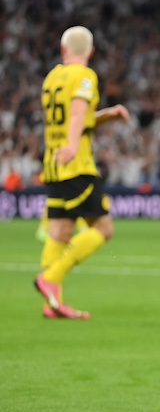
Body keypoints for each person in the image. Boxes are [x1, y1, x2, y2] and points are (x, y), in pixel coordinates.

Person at [35, 26, 130, 318]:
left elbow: (77, 119)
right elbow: (76, 114)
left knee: (60, 231)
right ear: (90, 51)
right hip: (77, 166)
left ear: (64, 50)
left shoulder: (52, 78)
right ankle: (50, 279)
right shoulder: (85, 76)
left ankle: (52, 304)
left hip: (53, 164)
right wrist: (74, 144)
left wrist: (107, 115)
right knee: (103, 229)